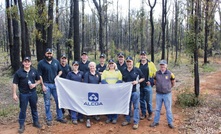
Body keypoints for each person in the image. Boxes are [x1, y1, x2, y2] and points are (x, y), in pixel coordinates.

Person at [37, 48, 67, 126]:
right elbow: (39, 75)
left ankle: (60, 116)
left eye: (50, 53)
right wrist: (42, 85)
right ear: (45, 54)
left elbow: (60, 70)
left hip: (55, 85)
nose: (49, 55)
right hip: (46, 84)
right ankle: (49, 118)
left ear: (52, 54)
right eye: (48, 53)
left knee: (58, 101)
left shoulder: (56, 62)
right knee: (47, 102)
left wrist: (57, 76)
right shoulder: (41, 63)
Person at [12, 57, 41, 133]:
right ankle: (21, 125)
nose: (27, 63)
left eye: (28, 62)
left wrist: (35, 84)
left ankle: (36, 122)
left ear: (30, 63)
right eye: (25, 61)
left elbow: (39, 80)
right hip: (23, 94)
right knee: (23, 110)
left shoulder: (34, 70)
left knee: (34, 108)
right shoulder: (19, 72)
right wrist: (14, 94)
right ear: (23, 63)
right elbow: (15, 83)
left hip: (33, 93)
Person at [150, 60, 175, 129]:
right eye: (161, 65)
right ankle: (156, 122)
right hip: (159, 94)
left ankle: (170, 122)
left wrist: (168, 88)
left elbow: (173, 82)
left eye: (163, 65)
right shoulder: (156, 73)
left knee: (168, 109)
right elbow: (155, 82)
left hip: (167, 94)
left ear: (166, 66)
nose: (162, 66)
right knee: (157, 109)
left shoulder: (170, 73)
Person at [121, 56, 145, 130]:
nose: (129, 63)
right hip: (127, 92)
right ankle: (127, 120)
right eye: (127, 62)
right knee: (127, 106)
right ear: (126, 63)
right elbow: (122, 80)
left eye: (130, 62)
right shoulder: (124, 70)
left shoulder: (137, 70)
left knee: (136, 107)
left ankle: (135, 122)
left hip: (135, 91)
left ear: (132, 62)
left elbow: (143, 78)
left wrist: (137, 82)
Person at [135, 51, 157, 121]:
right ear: (140, 56)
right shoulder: (137, 64)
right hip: (139, 85)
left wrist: (151, 82)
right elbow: (134, 74)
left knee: (148, 101)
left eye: (144, 55)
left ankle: (150, 113)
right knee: (141, 100)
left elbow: (155, 74)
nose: (143, 56)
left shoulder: (151, 64)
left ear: (146, 56)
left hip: (148, 85)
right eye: (141, 55)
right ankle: (143, 113)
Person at [101, 59, 122, 124]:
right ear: (108, 65)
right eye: (110, 64)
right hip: (107, 90)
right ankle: (109, 117)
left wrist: (114, 87)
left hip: (115, 90)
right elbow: (102, 79)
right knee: (108, 104)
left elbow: (120, 79)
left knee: (115, 104)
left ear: (114, 64)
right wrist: (108, 86)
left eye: (112, 64)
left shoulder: (118, 71)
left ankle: (114, 118)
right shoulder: (105, 71)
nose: (111, 65)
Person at [83, 62, 101, 128]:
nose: (92, 68)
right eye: (91, 66)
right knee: (89, 105)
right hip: (89, 93)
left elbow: (100, 81)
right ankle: (88, 119)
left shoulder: (97, 73)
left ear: (95, 67)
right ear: (89, 67)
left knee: (95, 104)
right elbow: (85, 84)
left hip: (97, 92)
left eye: (93, 66)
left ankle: (95, 115)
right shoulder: (87, 74)